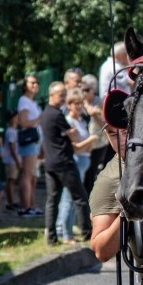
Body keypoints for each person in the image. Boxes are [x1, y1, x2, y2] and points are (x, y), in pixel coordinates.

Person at [40, 82, 94, 246]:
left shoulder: (45, 113)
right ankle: (86, 233)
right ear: (51, 95)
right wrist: (73, 133)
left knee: (53, 201)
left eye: (64, 94)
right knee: (80, 198)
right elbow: (74, 136)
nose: (63, 97)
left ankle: (51, 237)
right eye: (60, 94)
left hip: (50, 163)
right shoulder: (56, 114)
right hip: (63, 162)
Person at [56, 89, 96, 244]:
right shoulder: (69, 121)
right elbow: (76, 147)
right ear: (69, 105)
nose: (79, 106)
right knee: (69, 198)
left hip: (84, 162)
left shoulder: (81, 121)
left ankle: (65, 230)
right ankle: (65, 234)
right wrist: (91, 140)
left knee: (74, 199)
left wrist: (89, 143)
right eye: (76, 104)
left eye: (81, 103)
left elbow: (85, 146)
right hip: (75, 162)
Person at [89, 126, 128, 262]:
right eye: (112, 134)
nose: (121, 140)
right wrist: (128, 212)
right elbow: (101, 251)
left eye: (126, 131)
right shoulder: (109, 180)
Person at [17, 74, 43, 217]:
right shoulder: (24, 101)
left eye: (37, 82)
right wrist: (40, 118)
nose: (35, 85)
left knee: (32, 176)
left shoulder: (32, 102)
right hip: (29, 141)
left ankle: (31, 205)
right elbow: (23, 122)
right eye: (32, 83)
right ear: (25, 85)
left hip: (35, 142)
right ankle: (25, 207)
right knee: (27, 175)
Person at [81, 73, 112, 193]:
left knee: (91, 171)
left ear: (93, 90)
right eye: (82, 89)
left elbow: (104, 124)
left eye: (86, 90)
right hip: (83, 142)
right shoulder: (79, 101)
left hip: (97, 143)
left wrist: (94, 113)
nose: (83, 92)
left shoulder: (100, 102)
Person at [1, 109, 22, 212]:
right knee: (11, 180)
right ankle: (11, 202)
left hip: (15, 159)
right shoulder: (10, 131)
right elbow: (12, 147)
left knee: (13, 180)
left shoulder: (15, 131)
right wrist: (17, 160)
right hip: (11, 160)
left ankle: (13, 200)